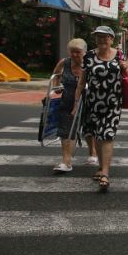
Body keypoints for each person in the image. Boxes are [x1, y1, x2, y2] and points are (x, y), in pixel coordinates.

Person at [73, 25, 127, 192]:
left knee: (108, 135)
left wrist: (125, 69)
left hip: (113, 102)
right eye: (98, 37)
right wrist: (76, 103)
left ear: (111, 39)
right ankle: (101, 167)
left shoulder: (118, 55)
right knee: (97, 135)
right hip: (93, 102)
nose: (102, 40)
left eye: (105, 37)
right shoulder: (89, 56)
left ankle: (105, 172)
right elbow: (82, 82)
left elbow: (127, 75)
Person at [50, 38, 87, 173]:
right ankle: (67, 162)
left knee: (89, 132)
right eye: (72, 52)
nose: (75, 55)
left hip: (87, 101)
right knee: (67, 131)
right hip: (67, 101)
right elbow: (55, 76)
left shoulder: (89, 64)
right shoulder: (64, 63)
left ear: (84, 52)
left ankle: (93, 152)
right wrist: (57, 87)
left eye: (78, 52)